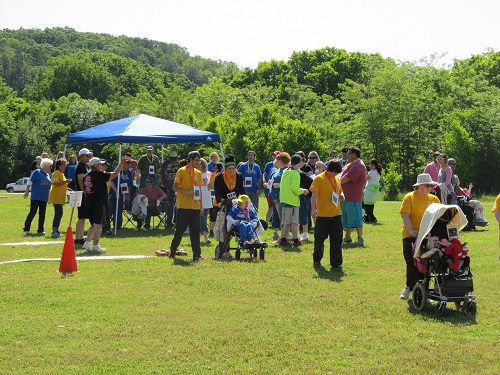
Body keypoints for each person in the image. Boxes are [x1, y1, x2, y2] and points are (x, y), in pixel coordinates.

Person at [399, 173, 440, 300]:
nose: (430, 188)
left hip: (427, 236)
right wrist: (411, 230)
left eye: (431, 186)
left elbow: (439, 217)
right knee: (411, 261)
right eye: (427, 185)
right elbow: (405, 215)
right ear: (419, 186)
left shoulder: (434, 199)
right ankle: (409, 287)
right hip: (410, 235)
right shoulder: (409, 197)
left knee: (426, 263)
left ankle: (424, 291)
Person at [81, 156, 129, 251]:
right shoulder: (99, 175)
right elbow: (114, 174)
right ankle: (95, 245)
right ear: (96, 165)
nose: (102, 166)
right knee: (99, 224)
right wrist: (121, 163)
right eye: (100, 164)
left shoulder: (86, 176)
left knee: (93, 224)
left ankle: (87, 243)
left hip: (89, 202)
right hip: (99, 202)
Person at [167, 151, 206, 261]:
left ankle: (197, 255)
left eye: (199, 160)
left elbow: (200, 191)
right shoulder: (181, 171)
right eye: (196, 160)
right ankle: (173, 250)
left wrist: (201, 206)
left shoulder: (198, 173)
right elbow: (174, 187)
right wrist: (186, 192)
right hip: (183, 206)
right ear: (190, 159)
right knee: (179, 230)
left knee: (195, 231)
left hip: (195, 206)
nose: (198, 162)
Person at [310, 160, 344, 269]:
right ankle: (317, 260)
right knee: (319, 240)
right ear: (331, 170)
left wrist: (342, 195)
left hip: (336, 214)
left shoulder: (337, 179)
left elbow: (340, 191)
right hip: (323, 215)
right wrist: (313, 210)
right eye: (335, 173)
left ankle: (336, 263)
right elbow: (314, 196)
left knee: (337, 240)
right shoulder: (319, 179)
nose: (336, 175)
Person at [276, 154, 309, 247]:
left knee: (286, 222)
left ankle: (283, 240)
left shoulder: (285, 172)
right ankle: (296, 240)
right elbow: (295, 188)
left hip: (284, 200)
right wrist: (303, 191)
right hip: (292, 201)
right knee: (294, 222)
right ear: (299, 163)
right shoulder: (295, 174)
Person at [340, 146, 367, 246]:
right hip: (346, 197)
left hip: (354, 197)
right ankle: (348, 237)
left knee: (356, 218)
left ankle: (360, 238)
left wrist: (334, 182)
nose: (346, 155)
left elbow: (345, 179)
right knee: (347, 218)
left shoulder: (358, 166)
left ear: (354, 155)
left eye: (348, 153)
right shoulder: (350, 164)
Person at [23, 158, 53, 235]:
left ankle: (40, 229)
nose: (51, 167)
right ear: (45, 166)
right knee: (33, 212)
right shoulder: (37, 172)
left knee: (42, 214)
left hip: (44, 198)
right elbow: (30, 182)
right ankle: (26, 228)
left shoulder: (48, 175)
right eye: (50, 166)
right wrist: (27, 191)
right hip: (36, 197)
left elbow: (49, 187)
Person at [265, 152, 290, 240]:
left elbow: (289, 184)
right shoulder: (278, 170)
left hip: (281, 197)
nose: (274, 161)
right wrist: (270, 183)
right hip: (275, 197)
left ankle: (285, 236)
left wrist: (280, 185)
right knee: (281, 217)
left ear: (281, 160)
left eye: (276, 159)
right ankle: (285, 235)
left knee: (283, 217)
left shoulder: (287, 171)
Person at [48, 158, 72, 238]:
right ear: (58, 165)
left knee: (59, 213)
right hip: (56, 197)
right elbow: (56, 184)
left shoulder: (61, 173)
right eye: (63, 164)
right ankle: (54, 231)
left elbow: (61, 185)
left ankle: (56, 230)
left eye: (66, 164)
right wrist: (66, 182)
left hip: (60, 197)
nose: (65, 166)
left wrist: (67, 188)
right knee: (58, 213)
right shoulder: (56, 173)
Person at [109, 159, 133, 230]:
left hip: (123, 194)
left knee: (119, 210)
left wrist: (127, 195)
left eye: (130, 163)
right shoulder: (116, 170)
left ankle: (118, 225)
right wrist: (116, 191)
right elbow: (111, 182)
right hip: (114, 194)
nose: (129, 165)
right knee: (111, 209)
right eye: (127, 163)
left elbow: (129, 185)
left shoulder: (129, 172)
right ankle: (106, 226)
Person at [74, 148, 91, 244]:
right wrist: (85, 192)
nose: (89, 158)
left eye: (89, 156)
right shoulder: (80, 167)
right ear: (82, 156)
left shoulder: (84, 166)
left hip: (81, 193)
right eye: (87, 156)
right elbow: (81, 181)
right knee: (82, 216)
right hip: (81, 194)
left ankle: (79, 237)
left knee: (83, 217)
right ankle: (78, 238)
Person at [159, 150, 180, 228]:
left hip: (178, 187)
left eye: (174, 159)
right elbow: (162, 176)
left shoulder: (179, 164)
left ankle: (177, 221)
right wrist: (166, 186)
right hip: (168, 187)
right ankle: (169, 222)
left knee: (178, 205)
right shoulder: (165, 164)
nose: (173, 161)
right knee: (169, 205)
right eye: (172, 159)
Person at [197, 158, 215, 244]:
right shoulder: (195, 174)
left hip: (206, 199)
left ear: (203, 165)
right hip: (198, 199)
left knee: (202, 218)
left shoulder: (209, 174)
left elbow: (211, 187)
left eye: (199, 164)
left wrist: (212, 180)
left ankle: (199, 237)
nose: (197, 165)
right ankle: (206, 237)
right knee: (201, 218)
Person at [263, 151, 280, 224]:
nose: (274, 157)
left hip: (277, 189)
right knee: (271, 207)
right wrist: (264, 181)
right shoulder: (269, 164)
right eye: (273, 155)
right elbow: (264, 174)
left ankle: (277, 222)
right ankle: (266, 223)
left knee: (277, 207)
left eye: (275, 155)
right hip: (268, 188)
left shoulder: (282, 166)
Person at [363, 158, 382, 223]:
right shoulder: (378, 172)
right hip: (374, 189)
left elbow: (365, 179)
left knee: (366, 204)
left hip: (369, 189)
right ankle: (368, 218)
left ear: (375, 165)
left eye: (372, 165)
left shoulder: (372, 172)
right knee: (371, 204)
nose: (370, 166)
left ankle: (372, 217)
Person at [209, 162, 224, 237]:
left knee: (221, 218)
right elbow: (210, 185)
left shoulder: (223, 176)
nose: (214, 169)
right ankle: (211, 231)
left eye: (215, 168)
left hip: (223, 200)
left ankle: (220, 231)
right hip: (215, 200)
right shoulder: (212, 175)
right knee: (213, 216)